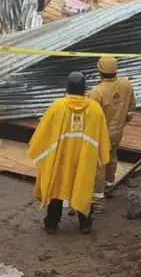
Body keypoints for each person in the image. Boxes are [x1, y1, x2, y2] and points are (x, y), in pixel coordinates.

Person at [28, 72, 110, 235]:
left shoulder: (57, 106)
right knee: (83, 188)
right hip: (84, 160)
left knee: (57, 187)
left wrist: (41, 154)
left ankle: (52, 223)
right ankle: (85, 224)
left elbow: (43, 133)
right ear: (85, 88)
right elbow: (102, 137)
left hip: (61, 159)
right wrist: (101, 158)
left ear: (67, 88)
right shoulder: (95, 109)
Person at [87, 57, 136, 214]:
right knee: (112, 158)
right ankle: (109, 187)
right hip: (117, 132)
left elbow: (90, 119)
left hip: (101, 136)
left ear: (99, 71)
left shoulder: (96, 93)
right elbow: (131, 110)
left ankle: (98, 201)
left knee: (99, 166)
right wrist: (121, 122)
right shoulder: (126, 84)